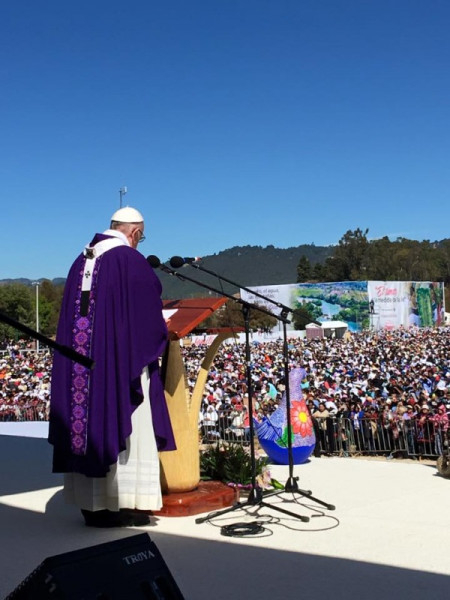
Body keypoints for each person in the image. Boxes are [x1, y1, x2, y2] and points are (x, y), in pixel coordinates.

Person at [49, 206, 176, 527]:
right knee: (126, 418)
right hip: (117, 365)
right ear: (135, 232)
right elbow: (148, 311)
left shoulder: (81, 260)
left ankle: (91, 504)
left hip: (83, 366)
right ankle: (119, 502)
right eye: (141, 238)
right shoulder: (128, 259)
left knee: (87, 422)